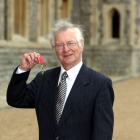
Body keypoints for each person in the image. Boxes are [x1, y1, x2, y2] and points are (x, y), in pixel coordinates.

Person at [7, 20, 114, 140]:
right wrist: (23, 70)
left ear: (81, 44)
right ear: (54, 49)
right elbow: (15, 99)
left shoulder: (100, 84)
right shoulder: (43, 79)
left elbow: (102, 134)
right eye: (59, 45)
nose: (66, 49)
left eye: (70, 43)